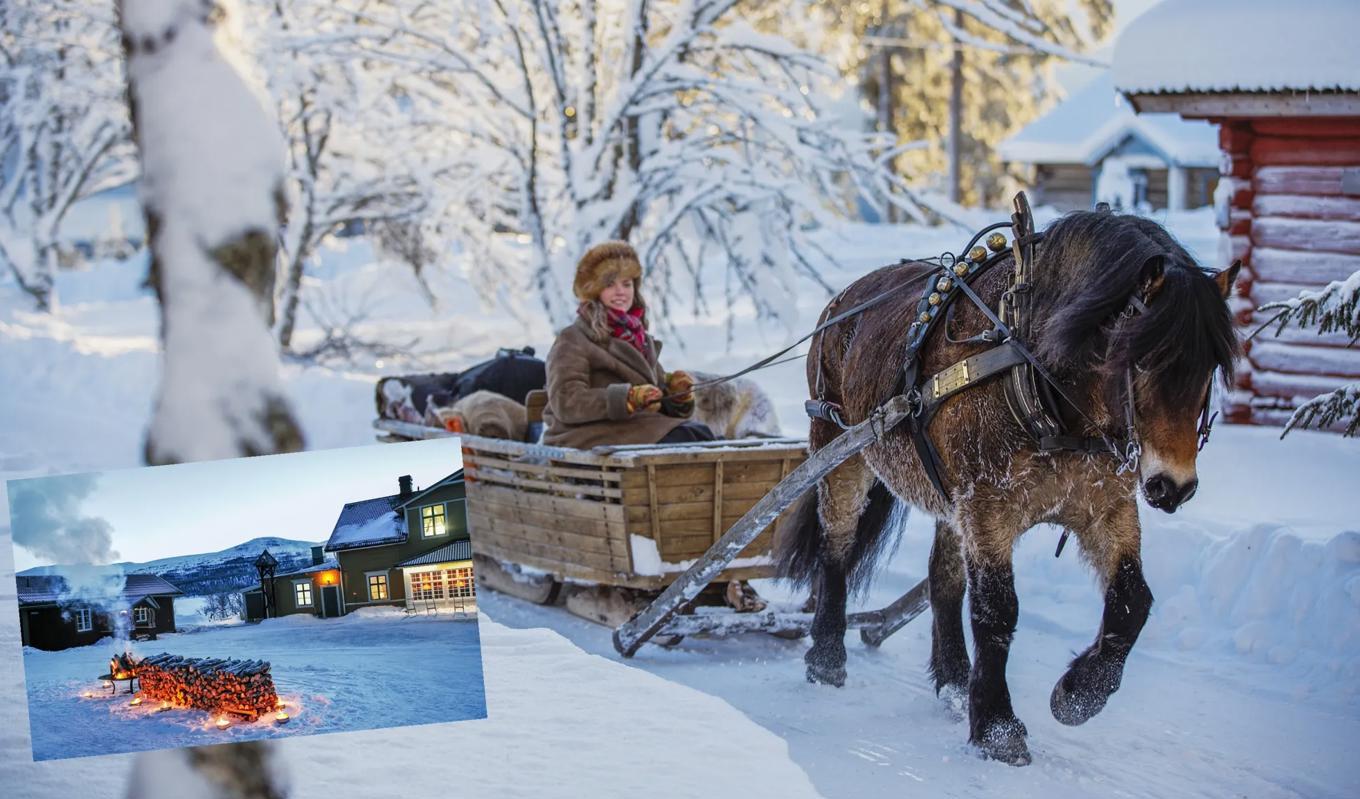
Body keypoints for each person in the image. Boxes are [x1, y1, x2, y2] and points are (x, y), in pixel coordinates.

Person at [542, 240, 717, 449]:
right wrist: (626, 398)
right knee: (686, 438)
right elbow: (567, 400)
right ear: (593, 291)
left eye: (627, 284)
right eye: (610, 284)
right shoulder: (573, 339)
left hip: (633, 429)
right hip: (585, 435)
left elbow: (654, 399)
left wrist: (675, 394)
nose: (620, 292)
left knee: (700, 435)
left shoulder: (639, 338)